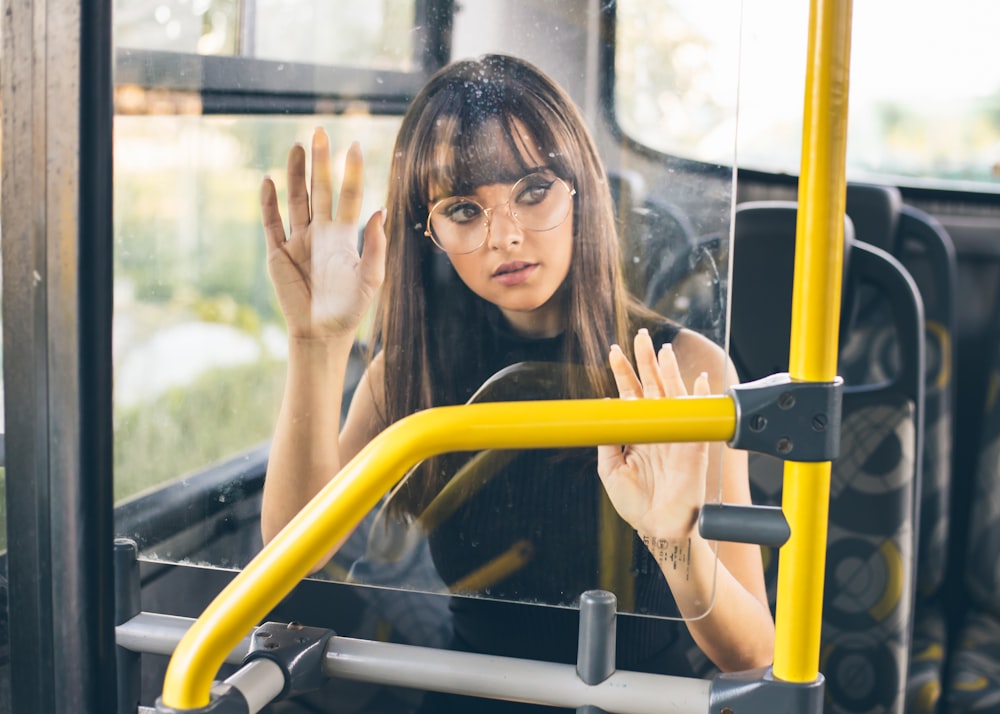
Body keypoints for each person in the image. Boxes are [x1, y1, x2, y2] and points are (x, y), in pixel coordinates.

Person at [259, 53, 774, 710]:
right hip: (466, 694)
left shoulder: (683, 370)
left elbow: (753, 652)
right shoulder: (411, 372)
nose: (504, 236)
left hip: (641, 700)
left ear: (579, 192)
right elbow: (294, 551)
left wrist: (675, 545)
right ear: (429, 231)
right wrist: (317, 343)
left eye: (533, 191)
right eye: (465, 209)